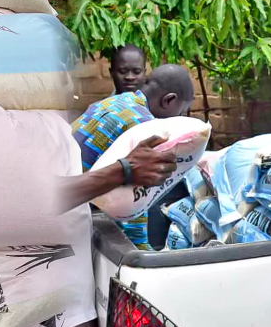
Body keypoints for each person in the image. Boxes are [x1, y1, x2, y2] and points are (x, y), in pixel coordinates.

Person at [69, 64, 195, 248]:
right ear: (169, 100)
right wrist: (145, 255)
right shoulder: (144, 128)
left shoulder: (117, 101)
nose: (180, 118)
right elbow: (132, 206)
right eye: (182, 112)